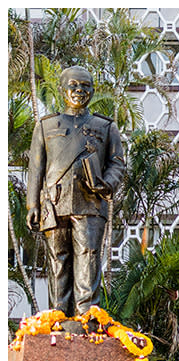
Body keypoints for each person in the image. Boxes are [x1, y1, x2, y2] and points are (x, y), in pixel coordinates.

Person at [27, 66, 125, 317]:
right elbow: (36, 168)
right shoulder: (46, 126)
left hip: (90, 203)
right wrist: (33, 205)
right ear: (62, 90)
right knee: (58, 261)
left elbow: (117, 163)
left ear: (92, 90)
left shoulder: (105, 126)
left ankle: (86, 317)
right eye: (73, 85)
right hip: (53, 203)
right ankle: (58, 316)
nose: (79, 90)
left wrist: (107, 184)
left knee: (88, 259)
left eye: (85, 86)